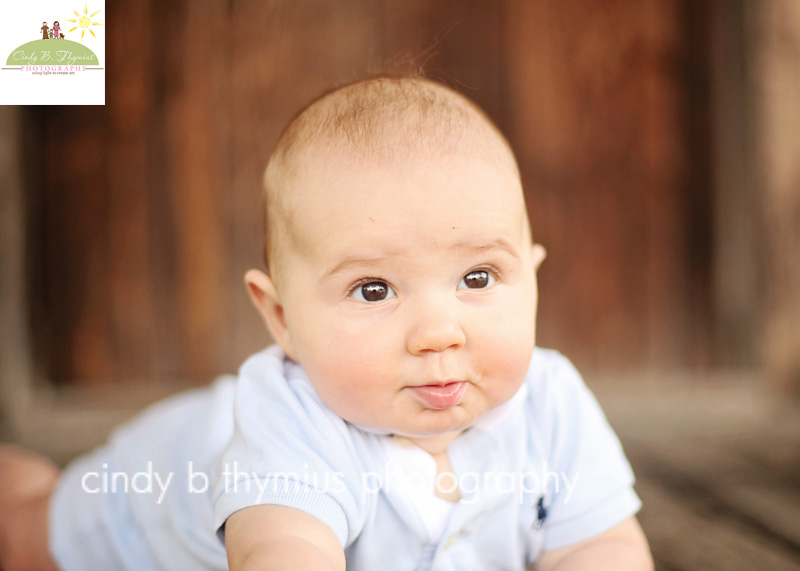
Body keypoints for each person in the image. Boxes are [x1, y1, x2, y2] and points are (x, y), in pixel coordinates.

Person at [0, 75, 653, 570]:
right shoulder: (293, 417)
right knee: (26, 533)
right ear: (281, 317)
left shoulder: (553, 404)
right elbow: (285, 548)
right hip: (161, 489)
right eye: (374, 289)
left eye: (477, 279)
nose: (438, 332)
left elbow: (603, 543)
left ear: (532, 277)